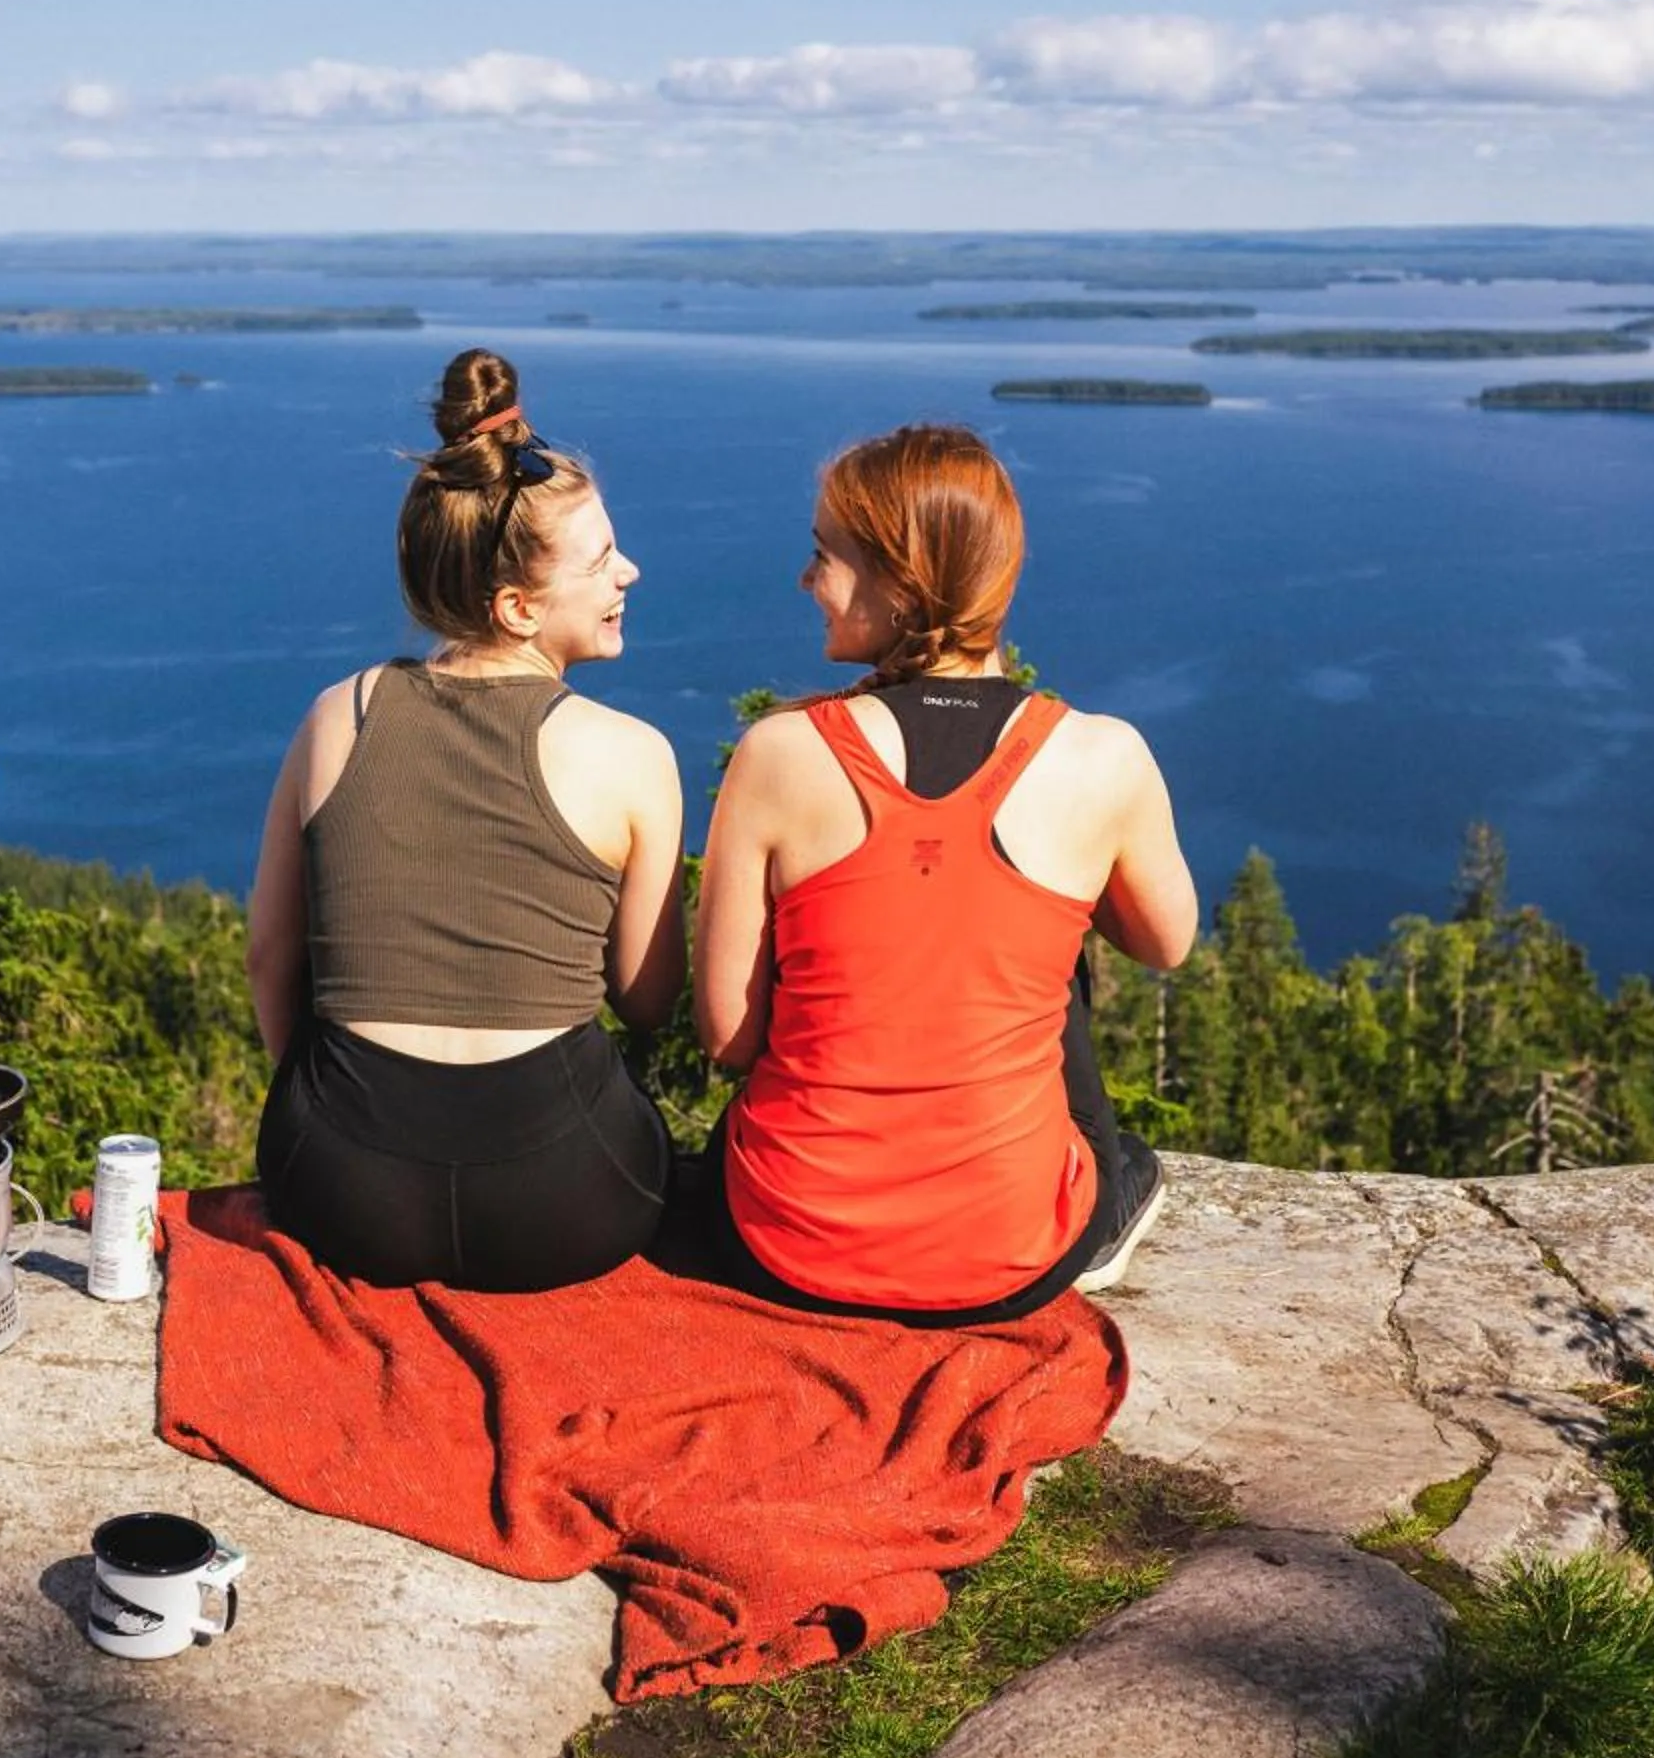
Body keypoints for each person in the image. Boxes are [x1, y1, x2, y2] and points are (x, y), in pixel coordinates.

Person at [691, 423, 1198, 1324]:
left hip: (786, 1243)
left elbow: (731, 1037)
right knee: (1045, 938)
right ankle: (1095, 1207)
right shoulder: (1102, 757)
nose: (807, 581)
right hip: (1012, 1256)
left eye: (825, 558)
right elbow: (1166, 942)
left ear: (900, 581)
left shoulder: (779, 754)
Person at [243, 348, 684, 1289]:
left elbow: (269, 957)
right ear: (519, 607)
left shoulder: (339, 715)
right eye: (603, 559)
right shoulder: (634, 754)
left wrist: (326, 1107)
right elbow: (648, 1003)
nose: (630, 572)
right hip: (569, 1199)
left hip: (337, 1190)